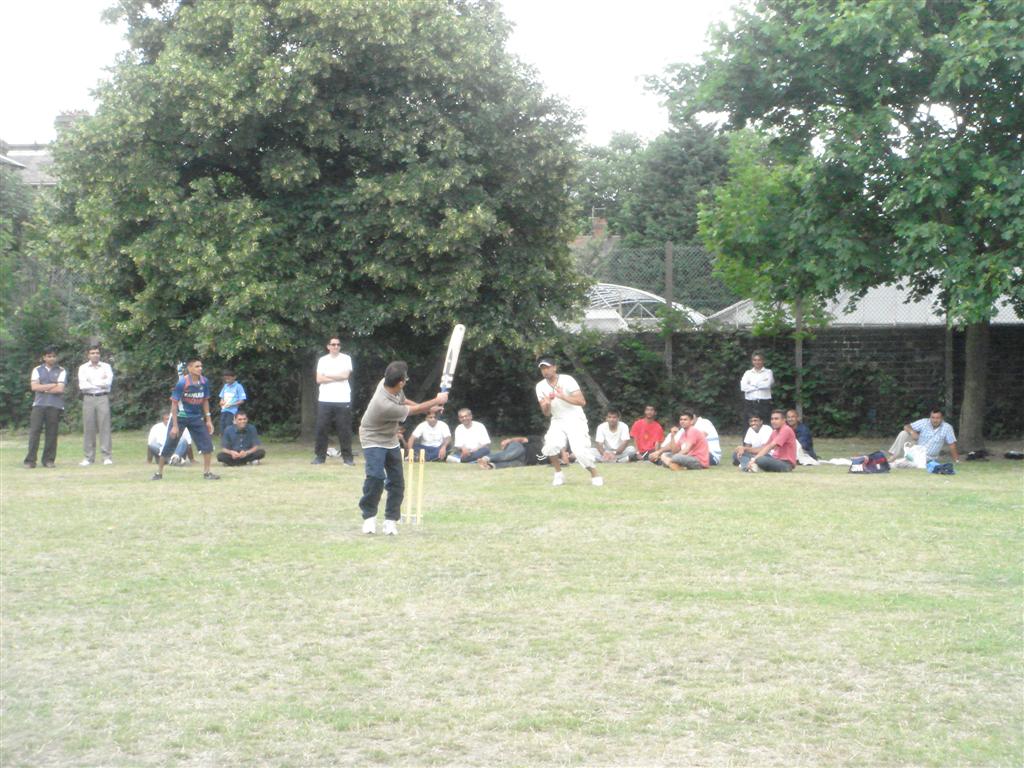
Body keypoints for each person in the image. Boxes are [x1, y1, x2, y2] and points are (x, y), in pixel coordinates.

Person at [358, 361, 448, 535]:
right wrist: (437, 400)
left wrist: (430, 408)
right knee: (375, 477)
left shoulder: (389, 385)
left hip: (390, 437)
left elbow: (404, 401)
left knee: (397, 481)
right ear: (400, 382)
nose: (406, 382)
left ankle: (390, 520)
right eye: (405, 379)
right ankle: (369, 518)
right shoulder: (382, 404)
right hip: (372, 437)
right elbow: (410, 411)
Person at [536, 359, 603, 487]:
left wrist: (562, 396)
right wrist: (547, 404)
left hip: (575, 418)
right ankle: (558, 474)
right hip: (557, 419)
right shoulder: (540, 386)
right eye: (542, 369)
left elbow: (582, 402)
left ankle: (595, 474)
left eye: (547, 367)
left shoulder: (567, 380)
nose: (545, 371)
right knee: (550, 445)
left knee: (579, 450)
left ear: (554, 368)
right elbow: (546, 413)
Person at [151, 357, 219, 481]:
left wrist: (208, 420)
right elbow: (174, 404)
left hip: (196, 417)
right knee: (169, 445)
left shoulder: (204, 382)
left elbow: (205, 400)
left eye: (201, 366)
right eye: (197, 366)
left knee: (207, 445)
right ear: (189, 368)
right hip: (181, 417)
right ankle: (158, 473)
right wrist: (175, 426)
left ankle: (207, 473)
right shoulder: (182, 383)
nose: (200, 368)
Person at [312, 337, 354, 465]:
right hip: (325, 399)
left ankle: (347, 458)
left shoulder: (346, 359)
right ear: (328, 346)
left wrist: (328, 375)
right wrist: (337, 376)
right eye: (333, 344)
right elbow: (319, 379)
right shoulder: (322, 360)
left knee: (344, 429)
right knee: (322, 428)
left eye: (338, 344)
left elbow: (345, 376)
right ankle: (320, 457)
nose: (336, 346)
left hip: (343, 399)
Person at [23, 346, 67, 469]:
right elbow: (34, 387)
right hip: (39, 405)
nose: (51, 358)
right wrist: (52, 385)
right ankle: (30, 461)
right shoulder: (37, 370)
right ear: (44, 357)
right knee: (34, 432)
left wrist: (43, 387)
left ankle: (48, 460)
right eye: (49, 356)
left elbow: (60, 389)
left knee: (52, 433)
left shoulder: (61, 370)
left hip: (55, 405)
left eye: (53, 356)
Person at [78, 345, 114, 466]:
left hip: (102, 397)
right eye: (92, 353)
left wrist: (92, 382)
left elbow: (108, 383)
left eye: (97, 353)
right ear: (88, 355)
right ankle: (88, 457)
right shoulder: (83, 368)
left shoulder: (106, 367)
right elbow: (83, 385)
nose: (95, 355)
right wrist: (100, 383)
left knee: (105, 426)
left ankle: (106, 457)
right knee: (89, 428)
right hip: (88, 398)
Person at [888, 408, 960, 463]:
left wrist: (956, 460)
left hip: (928, 456)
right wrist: (912, 432)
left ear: (942, 418)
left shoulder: (947, 427)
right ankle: (893, 456)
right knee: (904, 433)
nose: (935, 420)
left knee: (909, 462)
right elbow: (906, 426)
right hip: (916, 448)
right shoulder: (924, 422)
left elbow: (952, 444)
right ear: (930, 417)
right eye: (933, 417)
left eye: (937, 418)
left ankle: (903, 460)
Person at [740, 352, 774, 423]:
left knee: (765, 424)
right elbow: (743, 387)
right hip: (750, 403)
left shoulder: (768, 372)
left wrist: (751, 384)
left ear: (763, 361)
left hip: (764, 403)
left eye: (759, 360)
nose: (757, 362)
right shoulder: (747, 373)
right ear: (752, 361)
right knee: (749, 424)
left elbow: (767, 385)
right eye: (755, 360)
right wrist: (760, 384)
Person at [477, 435, 547, 469]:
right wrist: (509, 440)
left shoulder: (553, 455)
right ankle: (486, 458)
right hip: (520, 448)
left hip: (524, 461)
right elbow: (522, 439)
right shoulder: (540, 439)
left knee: (513, 464)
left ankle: (489, 466)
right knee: (509, 455)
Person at [218, 369, 247, 436]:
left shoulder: (238, 386)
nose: (227, 380)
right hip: (223, 410)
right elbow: (221, 398)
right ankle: (224, 443)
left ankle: (231, 442)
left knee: (229, 426)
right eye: (226, 378)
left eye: (229, 378)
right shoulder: (225, 386)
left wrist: (232, 404)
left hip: (232, 411)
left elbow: (242, 400)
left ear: (234, 377)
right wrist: (221, 402)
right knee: (222, 426)